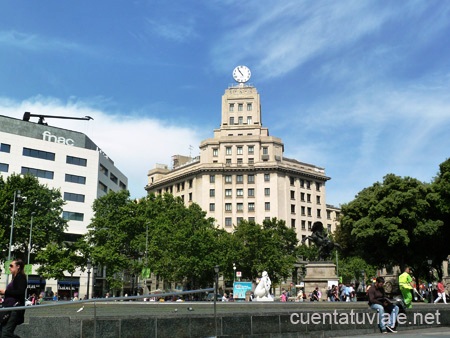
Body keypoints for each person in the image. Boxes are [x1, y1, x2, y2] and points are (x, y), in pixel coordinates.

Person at [0, 259, 27, 337]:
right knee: (2, 332)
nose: (9, 268)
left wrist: (5, 292)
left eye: (11, 266)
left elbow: (20, 292)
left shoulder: (20, 277)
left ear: (18, 267)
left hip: (14, 309)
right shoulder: (15, 278)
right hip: (9, 308)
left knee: (5, 333)